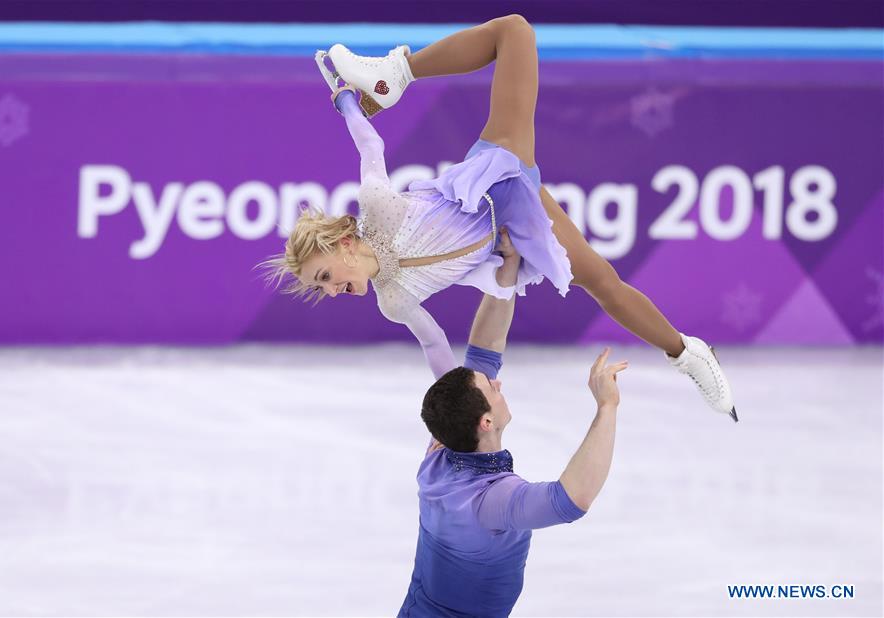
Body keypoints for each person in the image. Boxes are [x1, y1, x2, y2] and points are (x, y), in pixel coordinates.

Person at [261, 14, 736, 421]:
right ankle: (686, 351)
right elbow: (434, 348)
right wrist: (454, 414)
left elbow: (371, 146)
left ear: (343, 245)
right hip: (512, 231)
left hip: (494, 177)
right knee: (601, 280)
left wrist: (347, 100)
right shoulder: (393, 302)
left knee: (513, 31)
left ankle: (395, 73)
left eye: (323, 275)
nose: (329, 290)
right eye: (318, 287)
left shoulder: (378, 210)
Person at [398, 234, 625, 616]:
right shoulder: (492, 501)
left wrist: (508, 269)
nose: (497, 382)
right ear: (486, 421)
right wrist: (607, 407)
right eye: (492, 389)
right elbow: (571, 499)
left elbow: (484, 352)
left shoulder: (438, 456)